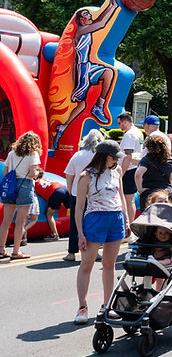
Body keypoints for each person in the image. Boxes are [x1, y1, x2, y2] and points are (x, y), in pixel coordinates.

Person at [74, 138, 129, 325]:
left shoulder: (117, 171)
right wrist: (80, 233)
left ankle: (108, 305)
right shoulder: (86, 176)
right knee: (87, 264)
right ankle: (82, 306)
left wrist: (127, 219)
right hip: (95, 219)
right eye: (114, 157)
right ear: (106, 157)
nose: (117, 161)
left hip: (115, 218)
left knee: (109, 264)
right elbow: (79, 206)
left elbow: (120, 196)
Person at [51, 1, 119, 148]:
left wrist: (110, 6)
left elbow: (100, 20)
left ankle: (98, 106)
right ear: (81, 20)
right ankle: (62, 128)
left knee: (108, 73)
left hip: (88, 65)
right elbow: (101, 23)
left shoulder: (86, 29)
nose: (90, 16)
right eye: (87, 14)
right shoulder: (81, 30)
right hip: (83, 68)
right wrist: (113, 7)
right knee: (81, 104)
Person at [0, 131, 42, 259]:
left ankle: (1, 249)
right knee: (20, 222)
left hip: (11, 185)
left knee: (5, 221)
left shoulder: (12, 153)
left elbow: (5, 172)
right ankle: (15, 251)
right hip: (25, 185)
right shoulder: (33, 154)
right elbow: (32, 173)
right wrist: (37, 174)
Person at [63, 130, 101, 261]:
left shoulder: (77, 155)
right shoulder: (100, 155)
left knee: (75, 222)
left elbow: (68, 174)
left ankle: (71, 252)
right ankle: (94, 251)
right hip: (95, 193)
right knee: (94, 222)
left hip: (76, 193)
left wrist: (70, 189)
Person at [117, 112, 144, 227]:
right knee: (130, 200)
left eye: (120, 123)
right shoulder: (138, 132)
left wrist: (121, 173)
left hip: (128, 170)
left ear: (125, 122)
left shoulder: (129, 135)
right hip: (134, 168)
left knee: (128, 200)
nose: (119, 126)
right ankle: (129, 226)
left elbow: (128, 156)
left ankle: (128, 227)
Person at [135, 131, 172, 203]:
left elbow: (138, 174)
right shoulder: (170, 160)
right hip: (166, 192)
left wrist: (140, 190)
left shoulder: (146, 160)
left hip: (151, 193)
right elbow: (171, 178)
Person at [34, 173, 70, 241]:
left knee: (49, 214)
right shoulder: (44, 179)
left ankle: (55, 234)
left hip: (56, 192)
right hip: (64, 187)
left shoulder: (34, 183)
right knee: (74, 211)